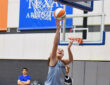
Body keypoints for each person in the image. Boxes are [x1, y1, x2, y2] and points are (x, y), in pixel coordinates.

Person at [45, 20, 74, 85]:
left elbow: (71, 59)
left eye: (62, 50)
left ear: (63, 54)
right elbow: (55, 45)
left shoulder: (63, 62)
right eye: (58, 50)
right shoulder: (53, 61)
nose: (60, 50)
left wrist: (69, 48)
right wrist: (58, 30)